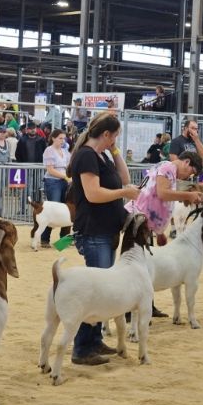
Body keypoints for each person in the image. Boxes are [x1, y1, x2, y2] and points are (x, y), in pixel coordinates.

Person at [68, 112, 140, 366]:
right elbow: (94, 194)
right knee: (96, 291)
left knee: (103, 288)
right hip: (93, 230)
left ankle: (93, 339)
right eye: (115, 135)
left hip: (106, 230)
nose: (115, 140)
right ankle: (81, 347)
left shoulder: (102, 155)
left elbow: (125, 179)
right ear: (106, 134)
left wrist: (116, 151)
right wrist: (124, 193)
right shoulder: (86, 156)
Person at [41, 129, 72, 247]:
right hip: (53, 182)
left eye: (64, 138)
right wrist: (65, 176)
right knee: (54, 210)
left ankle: (64, 242)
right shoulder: (49, 151)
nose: (62, 140)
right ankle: (45, 239)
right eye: (60, 138)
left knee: (68, 210)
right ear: (53, 138)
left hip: (65, 182)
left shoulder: (65, 151)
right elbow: (50, 170)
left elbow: (69, 166)